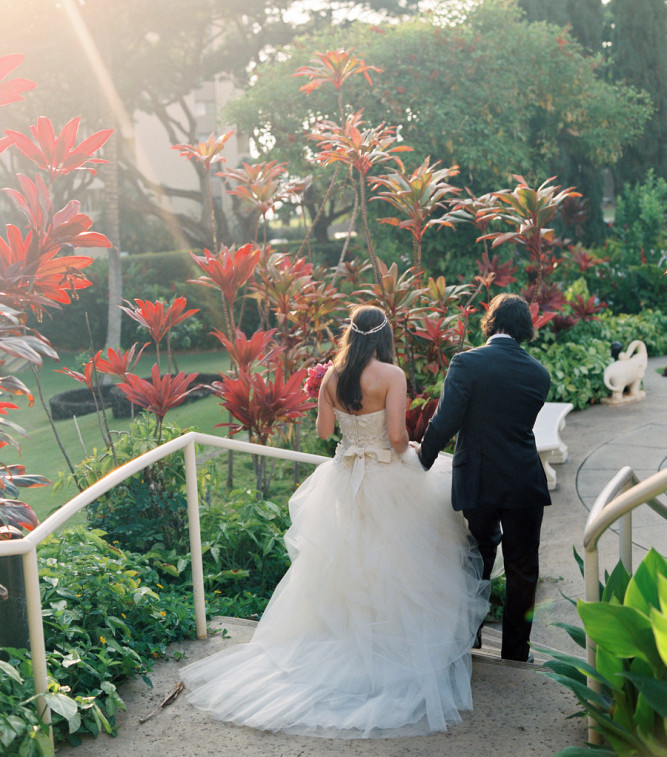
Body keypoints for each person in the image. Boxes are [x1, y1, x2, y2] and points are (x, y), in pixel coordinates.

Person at [181, 304, 489, 738]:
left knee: (349, 561)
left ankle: (348, 639)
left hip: (346, 481)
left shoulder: (331, 377)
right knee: (398, 562)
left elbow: (326, 434)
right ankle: (392, 645)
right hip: (387, 476)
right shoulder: (392, 376)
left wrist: (354, 431)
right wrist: (410, 447)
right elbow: (399, 439)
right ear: (383, 337)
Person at [419, 293, 551, 662]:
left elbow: (445, 422)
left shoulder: (467, 363)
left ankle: (470, 639)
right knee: (524, 568)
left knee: (477, 557)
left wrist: (422, 461)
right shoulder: (539, 374)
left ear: (490, 321)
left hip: (478, 478)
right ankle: (515, 653)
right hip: (525, 480)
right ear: (525, 328)